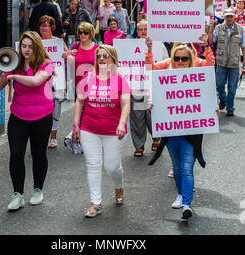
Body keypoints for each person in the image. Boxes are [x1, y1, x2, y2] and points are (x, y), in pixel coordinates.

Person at [146, 44, 217, 221]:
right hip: (170, 132)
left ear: (190, 59)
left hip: (191, 133)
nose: (180, 62)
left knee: (186, 168)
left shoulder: (198, 76)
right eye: (176, 58)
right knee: (177, 167)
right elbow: (150, 75)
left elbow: (208, 84)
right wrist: (152, 103)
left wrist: (211, 108)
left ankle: (186, 204)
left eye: (184, 58)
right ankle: (180, 194)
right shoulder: (165, 75)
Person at [0, 31, 54, 211]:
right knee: (16, 153)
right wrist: (4, 71)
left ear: (37, 47)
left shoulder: (47, 64)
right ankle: (17, 194)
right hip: (19, 116)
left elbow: (36, 81)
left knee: (38, 154)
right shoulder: (14, 63)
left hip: (42, 116)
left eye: (30, 46)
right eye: (24, 46)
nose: (27, 50)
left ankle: (38, 190)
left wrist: (13, 76)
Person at [72, 45, 131, 217]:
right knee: (93, 165)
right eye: (99, 56)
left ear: (113, 58)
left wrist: (122, 123)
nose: (102, 58)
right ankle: (95, 203)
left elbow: (126, 104)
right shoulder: (88, 78)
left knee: (112, 166)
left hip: (114, 130)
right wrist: (76, 125)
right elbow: (79, 102)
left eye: (105, 55)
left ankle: (118, 187)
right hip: (89, 129)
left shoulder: (121, 79)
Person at [128, 20, 169, 158]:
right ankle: (139, 145)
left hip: (153, 87)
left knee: (153, 116)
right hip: (136, 87)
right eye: (141, 29)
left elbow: (166, 65)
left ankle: (156, 138)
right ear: (137, 32)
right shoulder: (128, 46)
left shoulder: (159, 46)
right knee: (137, 117)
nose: (144, 31)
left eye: (146, 29)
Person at [200, 8, 245, 117]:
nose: (229, 18)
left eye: (231, 16)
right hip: (221, 62)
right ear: (224, 17)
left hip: (234, 62)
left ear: (234, 17)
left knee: (232, 87)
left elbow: (243, 46)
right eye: (227, 16)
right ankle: (223, 99)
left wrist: (244, 60)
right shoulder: (219, 28)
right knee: (219, 84)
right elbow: (211, 40)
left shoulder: (240, 29)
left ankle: (230, 108)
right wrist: (211, 29)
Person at [38, 15, 69, 149]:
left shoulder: (58, 42)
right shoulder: (35, 41)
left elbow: (68, 57)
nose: (44, 28)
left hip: (57, 79)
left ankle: (53, 136)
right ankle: (41, 135)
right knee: (41, 110)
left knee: (55, 108)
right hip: (39, 80)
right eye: (42, 25)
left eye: (46, 25)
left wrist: (66, 56)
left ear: (52, 27)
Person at [67, 22, 99, 92]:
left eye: (85, 33)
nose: (82, 35)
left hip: (92, 84)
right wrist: (69, 53)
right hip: (77, 84)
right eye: (80, 32)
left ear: (90, 33)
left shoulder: (97, 48)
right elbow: (67, 59)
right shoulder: (76, 45)